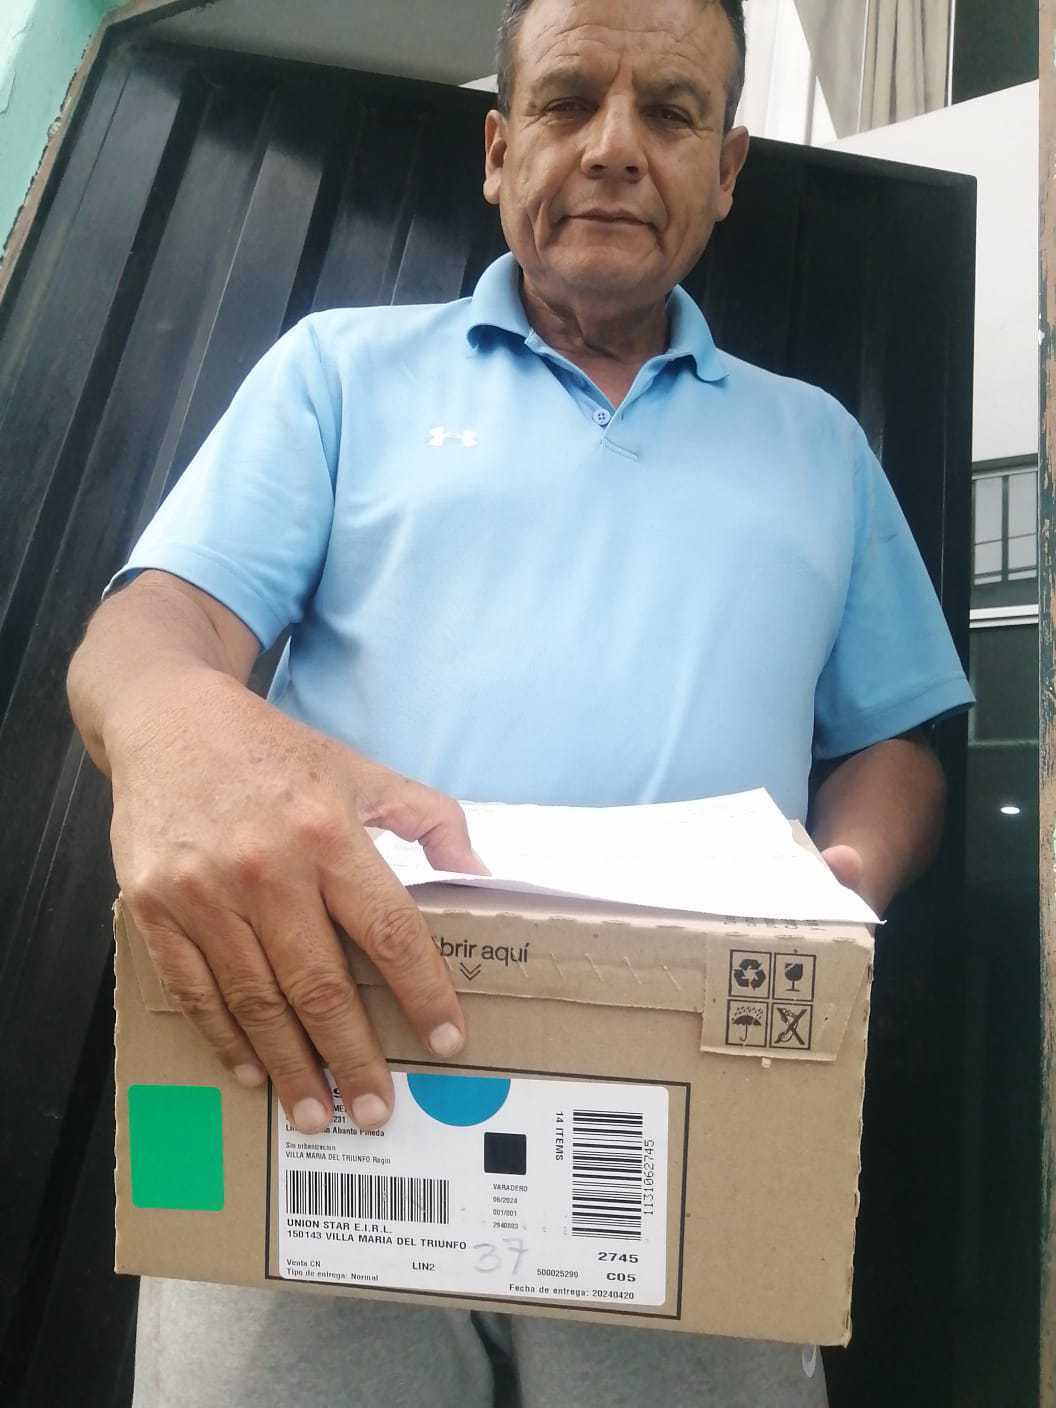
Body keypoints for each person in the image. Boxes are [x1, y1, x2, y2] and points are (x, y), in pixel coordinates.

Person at [67, 0, 973, 1403]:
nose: (614, 148)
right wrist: (171, 728)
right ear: (499, 151)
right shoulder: (336, 374)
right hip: (320, 1058)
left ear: (728, 170)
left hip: (690, 1102)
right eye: (567, 102)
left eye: (670, 112)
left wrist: (847, 874)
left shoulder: (822, 447)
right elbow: (145, 637)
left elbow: (894, 742)